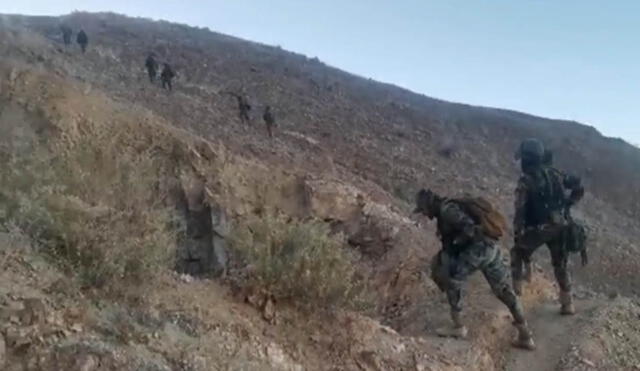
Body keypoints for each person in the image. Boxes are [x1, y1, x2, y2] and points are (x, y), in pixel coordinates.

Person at [414, 189, 535, 350]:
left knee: (453, 279)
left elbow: (470, 228)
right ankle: (525, 335)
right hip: (492, 249)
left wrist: (458, 243)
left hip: (479, 250)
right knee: (503, 290)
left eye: (423, 210)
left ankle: (458, 327)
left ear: (428, 205)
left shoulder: (447, 210)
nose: (424, 214)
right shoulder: (449, 206)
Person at [512, 139, 585, 315]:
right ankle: (567, 303)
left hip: (540, 228)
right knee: (560, 264)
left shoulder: (526, 180)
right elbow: (578, 187)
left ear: (528, 159)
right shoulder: (556, 174)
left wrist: (518, 232)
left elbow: (520, 209)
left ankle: (516, 294)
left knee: (517, 252)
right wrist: (568, 204)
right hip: (561, 225)